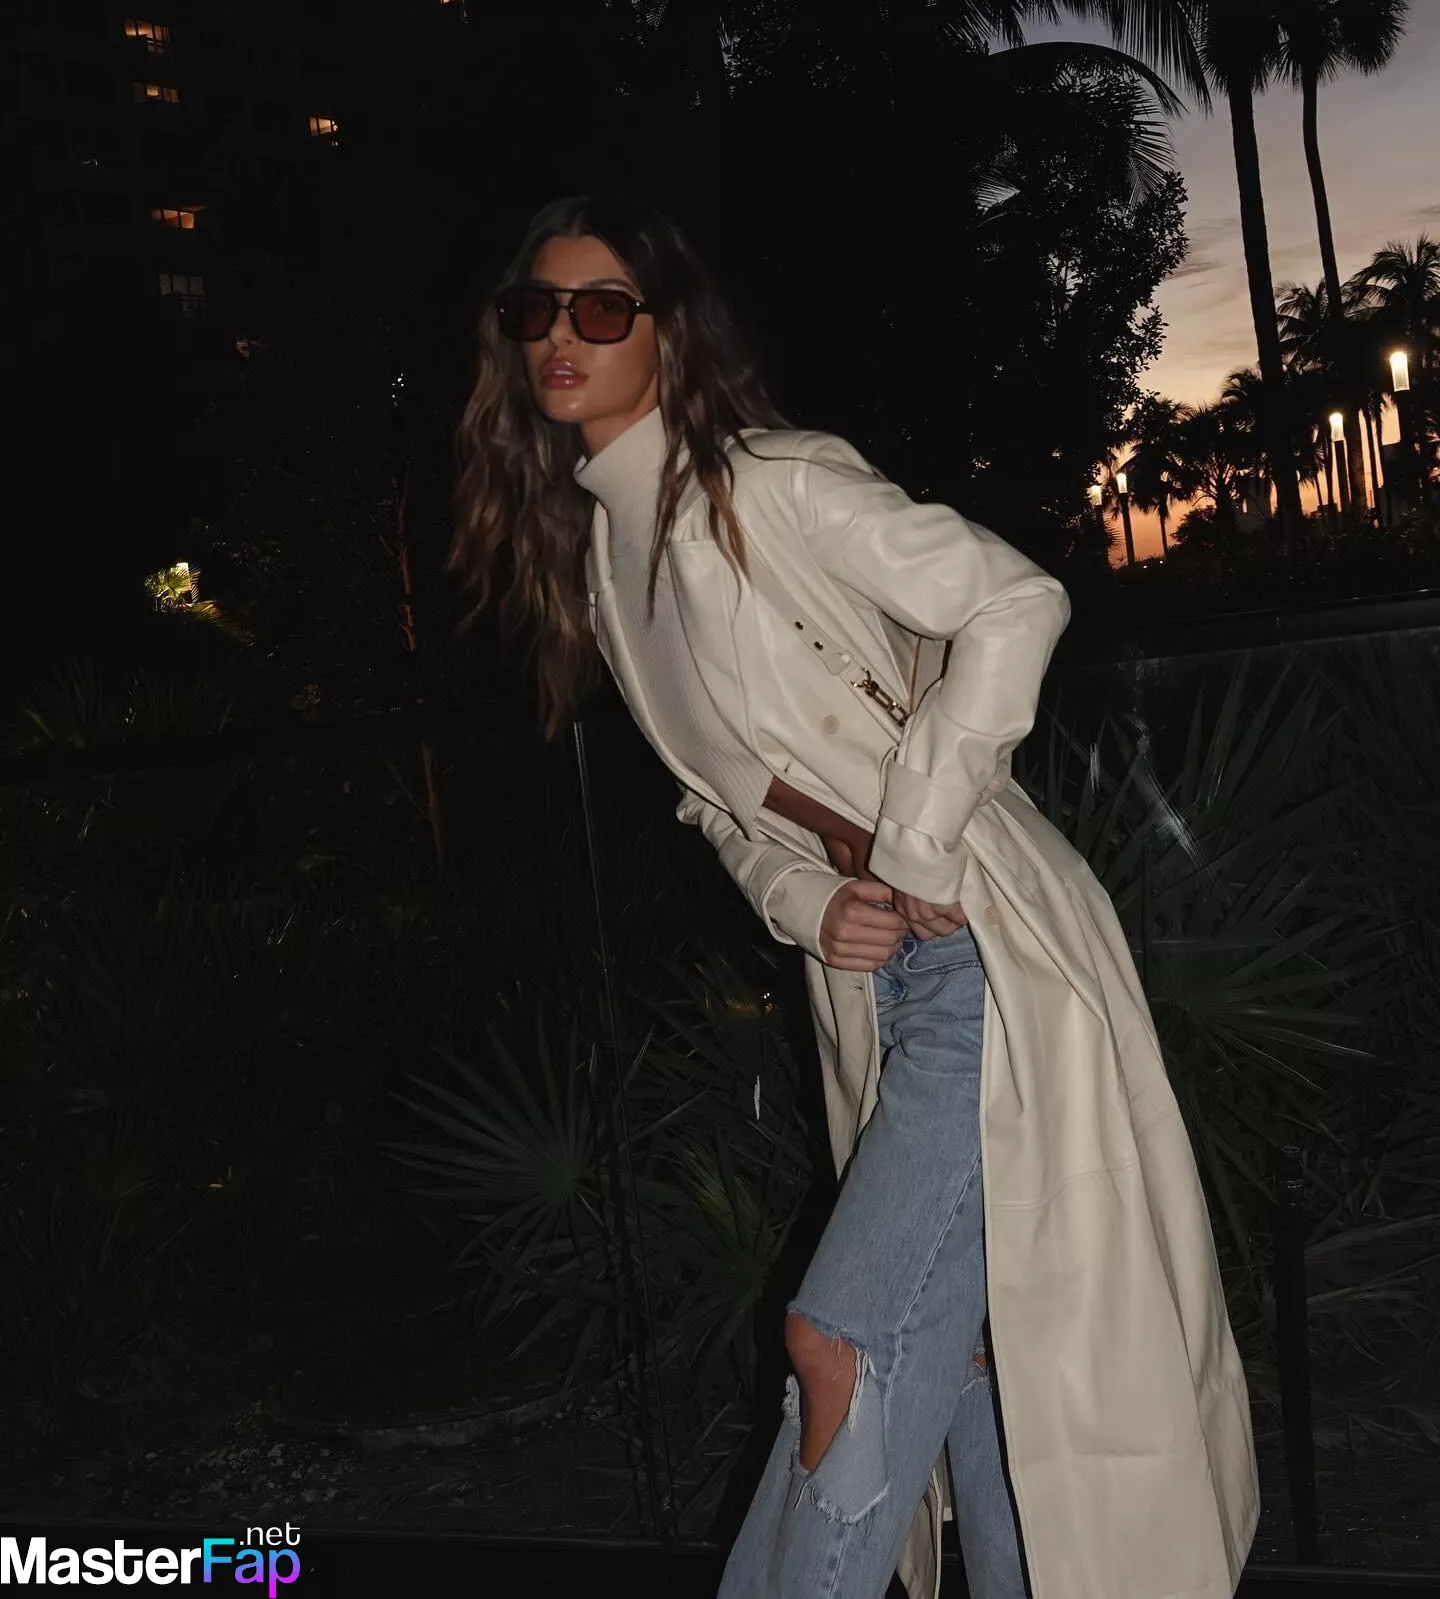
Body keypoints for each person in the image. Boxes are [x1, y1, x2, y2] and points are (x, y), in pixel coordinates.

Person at [450, 193, 1258, 1599]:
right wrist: (802, 898)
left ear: (667, 330)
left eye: (601, 308)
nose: (562, 335)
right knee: (976, 1362)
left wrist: (918, 841)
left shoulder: (770, 483)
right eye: (537, 311)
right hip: (872, 971)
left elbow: (1016, 601)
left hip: (980, 951)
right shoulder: (604, 565)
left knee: (842, 1345)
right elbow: (721, 800)